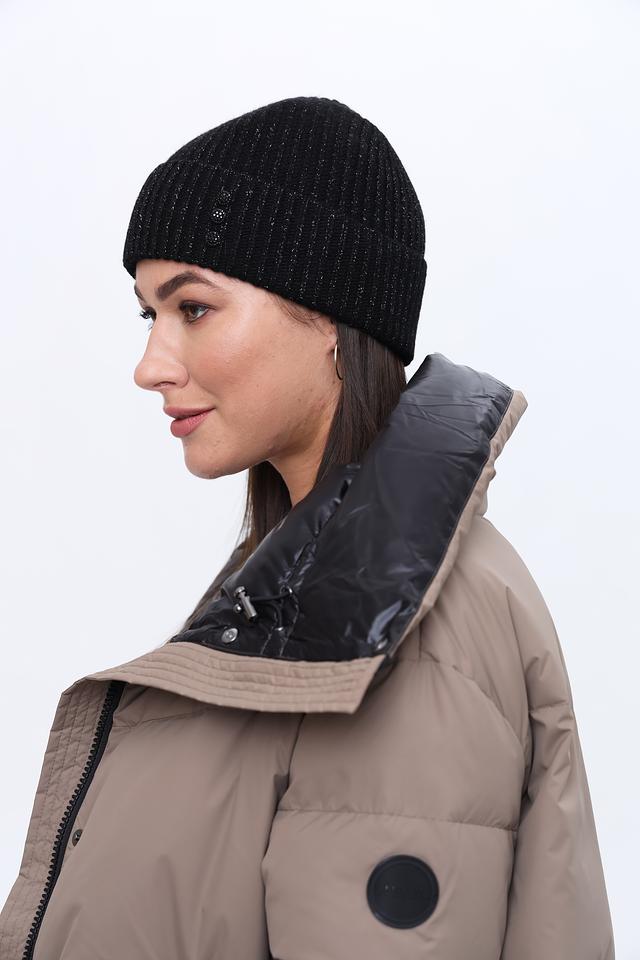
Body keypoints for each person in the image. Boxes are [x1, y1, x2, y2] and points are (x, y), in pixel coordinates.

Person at [0, 96, 615, 960]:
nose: (149, 366)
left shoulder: (401, 628)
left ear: (328, 316)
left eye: (193, 308)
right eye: (148, 315)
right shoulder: (318, 594)